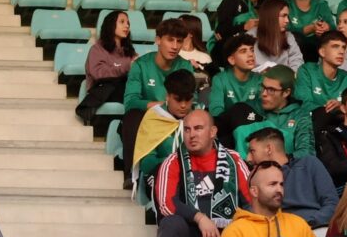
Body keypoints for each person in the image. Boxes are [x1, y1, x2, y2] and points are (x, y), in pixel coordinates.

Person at [150, 109, 248, 237]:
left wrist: (233, 228)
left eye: (198, 128)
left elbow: (250, 203)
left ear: (213, 132)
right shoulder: (173, 161)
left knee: (248, 228)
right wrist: (199, 218)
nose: (191, 135)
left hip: (226, 236)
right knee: (170, 223)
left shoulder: (234, 160)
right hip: (191, 235)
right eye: (187, 130)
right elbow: (166, 204)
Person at [121, 18, 192, 166]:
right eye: (170, 40)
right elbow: (130, 102)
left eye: (179, 41)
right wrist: (160, 105)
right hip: (149, 116)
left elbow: (192, 97)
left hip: (176, 114)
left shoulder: (185, 66)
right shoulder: (141, 65)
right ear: (158, 40)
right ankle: (132, 172)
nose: (175, 46)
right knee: (131, 117)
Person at [245, 127, 338, 227]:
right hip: (278, 232)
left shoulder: (308, 164)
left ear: (269, 149)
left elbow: (332, 203)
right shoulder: (256, 178)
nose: (248, 158)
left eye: (252, 151)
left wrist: (308, 224)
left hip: (316, 228)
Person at [234, 66, 317, 157]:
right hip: (245, 164)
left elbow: (306, 153)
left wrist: (281, 160)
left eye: (271, 90)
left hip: (284, 165)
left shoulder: (299, 116)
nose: (264, 94)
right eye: (263, 87)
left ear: (286, 92)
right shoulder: (247, 108)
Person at [80, 9, 138, 121]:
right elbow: (98, 73)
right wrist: (127, 67)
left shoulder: (129, 51)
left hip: (125, 89)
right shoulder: (97, 49)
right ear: (111, 25)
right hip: (104, 91)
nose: (127, 26)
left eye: (128, 23)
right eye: (122, 22)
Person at [295, 31, 347, 113]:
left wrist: (340, 106)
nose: (341, 51)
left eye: (344, 47)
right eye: (335, 46)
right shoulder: (307, 71)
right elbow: (303, 104)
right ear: (322, 52)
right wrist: (331, 109)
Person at [209, 34, 263, 120]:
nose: (251, 54)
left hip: (254, 125)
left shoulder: (260, 79)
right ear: (232, 60)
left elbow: (262, 112)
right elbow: (216, 112)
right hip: (228, 125)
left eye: (252, 50)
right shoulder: (220, 80)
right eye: (243, 51)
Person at [251, 0, 305, 71]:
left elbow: (297, 60)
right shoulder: (250, 36)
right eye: (284, 16)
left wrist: (289, 74)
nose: (287, 20)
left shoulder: (288, 36)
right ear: (271, 16)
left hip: (284, 76)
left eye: (287, 16)